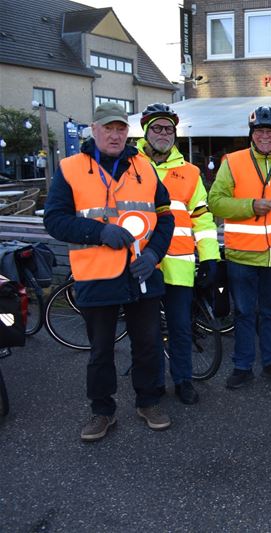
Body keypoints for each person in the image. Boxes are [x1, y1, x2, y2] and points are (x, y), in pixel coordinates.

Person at [44, 102, 175, 441]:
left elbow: (166, 217)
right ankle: (102, 411)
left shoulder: (144, 167)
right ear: (94, 129)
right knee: (101, 349)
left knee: (147, 344)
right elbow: (55, 220)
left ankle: (148, 402)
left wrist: (155, 254)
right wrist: (97, 232)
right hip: (96, 274)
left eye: (121, 129)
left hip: (142, 272)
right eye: (109, 128)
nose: (115, 135)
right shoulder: (70, 168)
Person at [208, 106, 271, 389]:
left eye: (270, 132)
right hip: (243, 254)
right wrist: (250, 206)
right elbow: (215, 202)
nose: (265, 136)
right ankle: (242, 366)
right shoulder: (232, 162)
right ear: (251, 134)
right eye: (259, 131)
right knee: (245, 312)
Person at [136, 103, 220, 405]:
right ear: (146, 132)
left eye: (169, 129)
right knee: (147, 333)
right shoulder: (131, 165)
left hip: (180, 265)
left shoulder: (189, 172)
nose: (163, 134)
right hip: (142, 265)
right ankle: (154, 384)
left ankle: (183, 380)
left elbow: (202, 216)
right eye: (157, 128)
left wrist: (210, 256)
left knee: (181, 329)